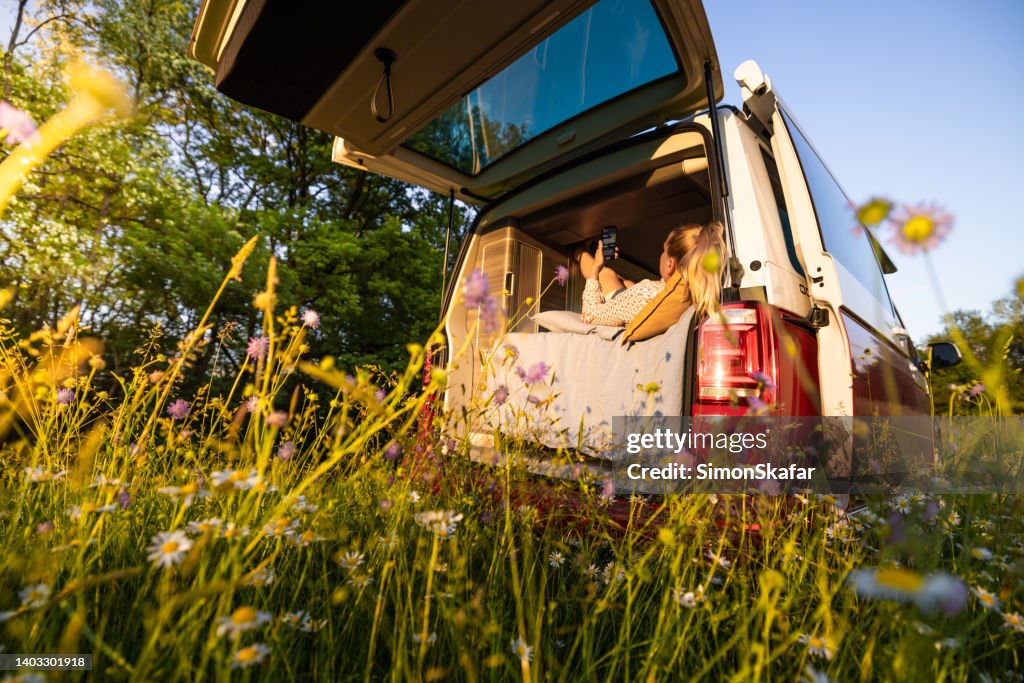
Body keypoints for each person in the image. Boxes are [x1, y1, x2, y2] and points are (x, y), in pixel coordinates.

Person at [576, 221, 726, 327]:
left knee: (606, 274)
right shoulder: (695, 295)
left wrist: (596, 267)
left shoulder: (644, 293)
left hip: (635, 304)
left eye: (664, 251)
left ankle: (577, 250)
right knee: (627, 283)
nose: (661, 255)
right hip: (636, 304)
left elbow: (590, 316)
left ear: (670, 265)